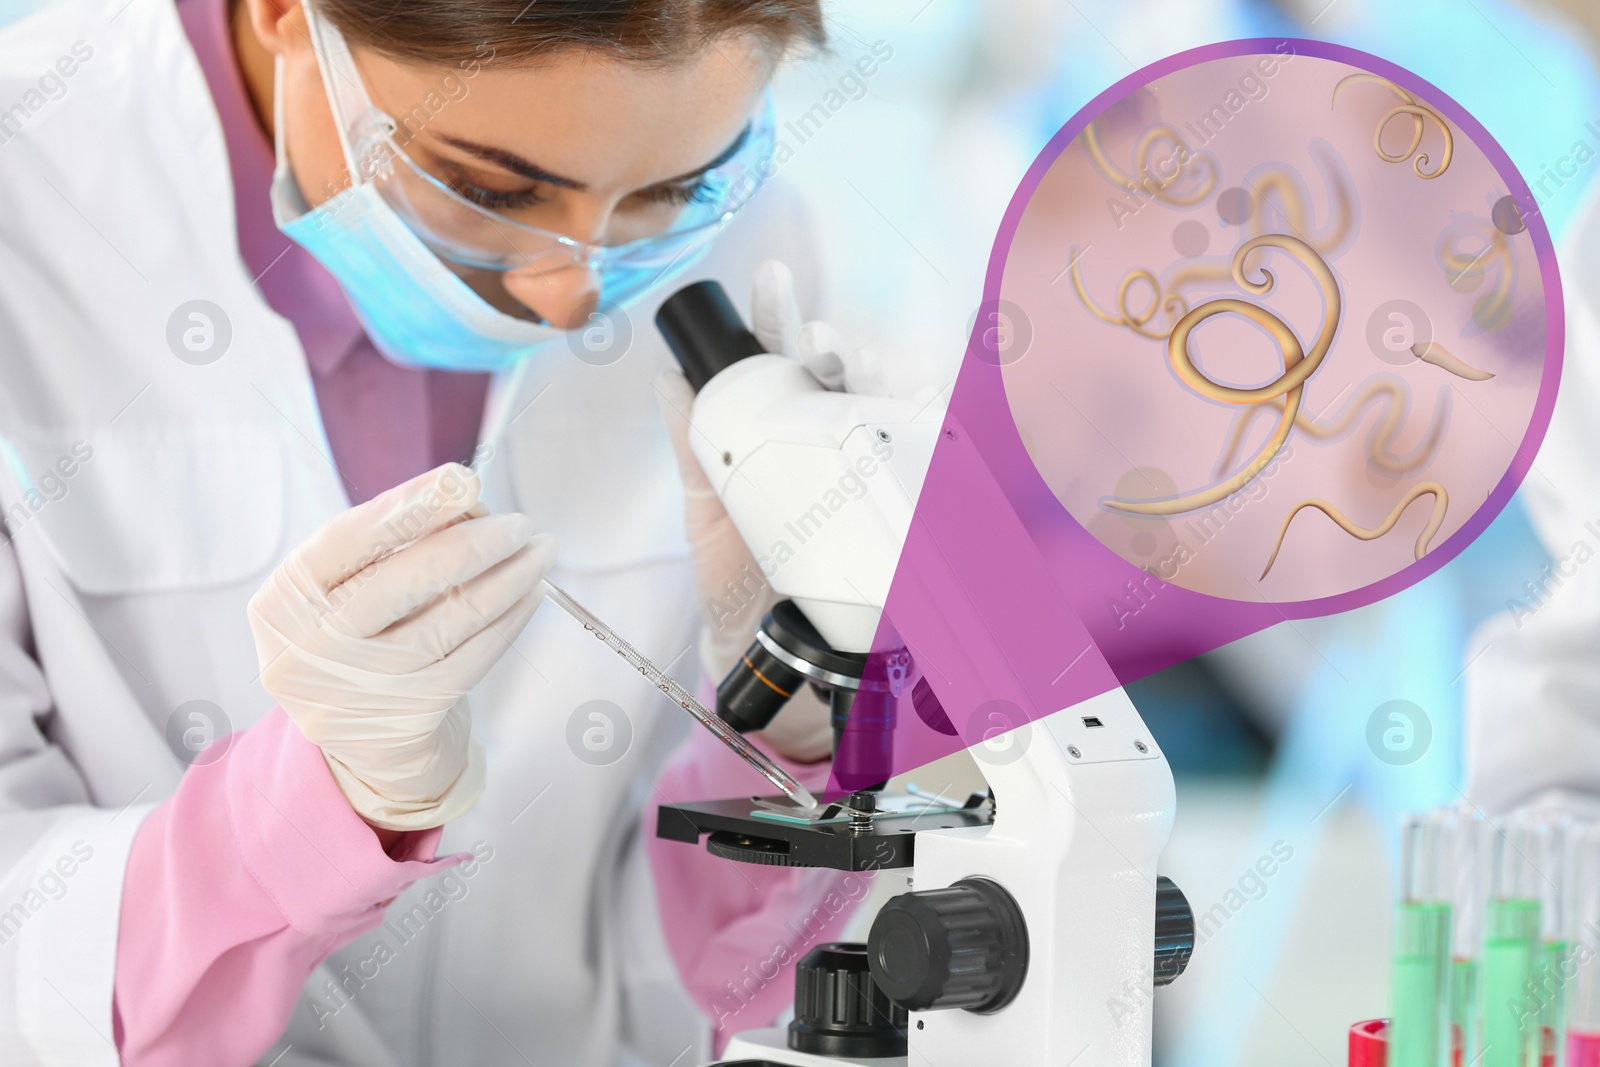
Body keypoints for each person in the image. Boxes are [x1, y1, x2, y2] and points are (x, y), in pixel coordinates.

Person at [0, 0, 873, 1063]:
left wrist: (791, 744)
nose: (570, 298)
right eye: (488, 186)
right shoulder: (27, 189)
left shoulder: (751, 234)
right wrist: (306, 814)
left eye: (666, 193)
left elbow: (752, 977)